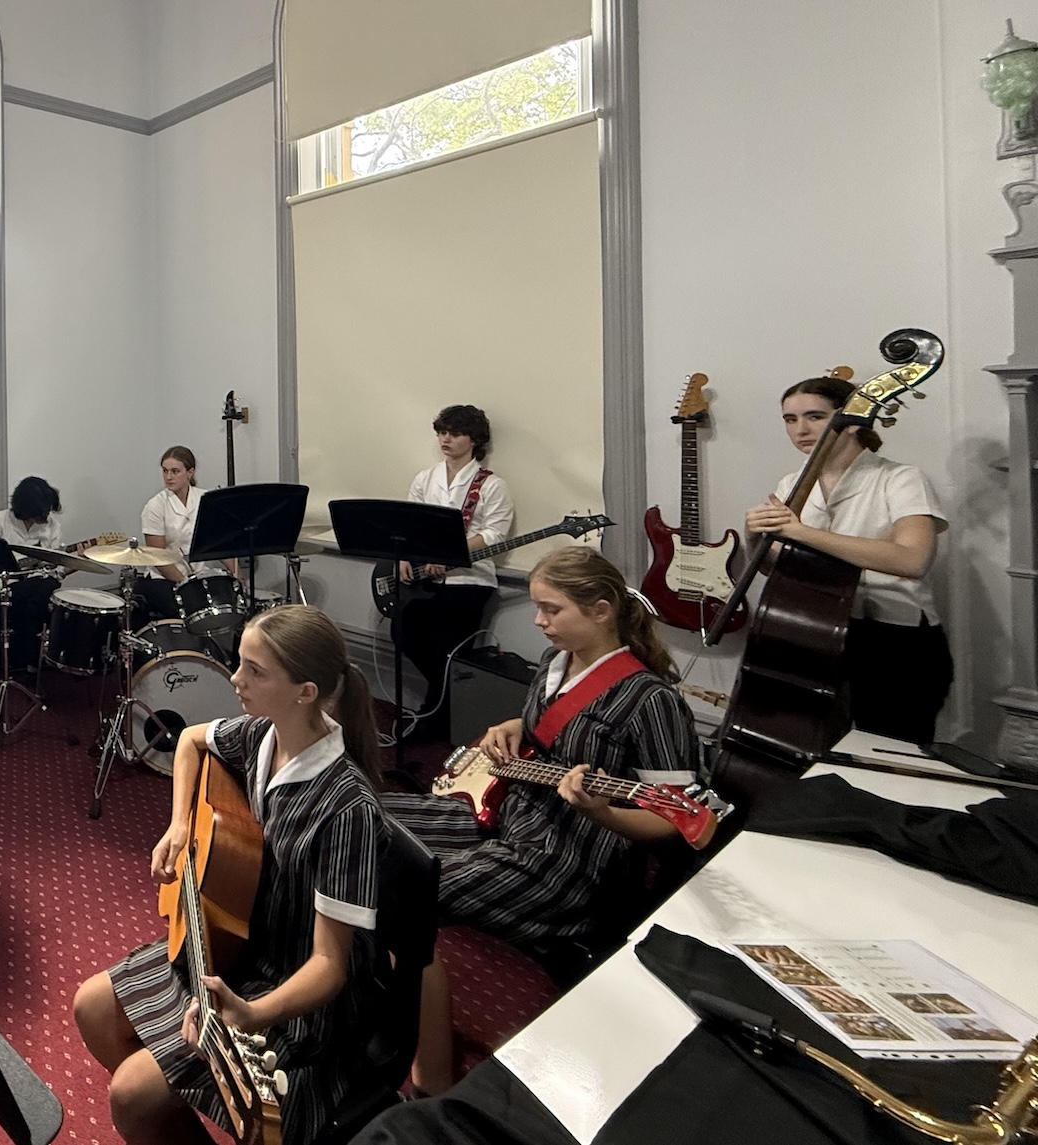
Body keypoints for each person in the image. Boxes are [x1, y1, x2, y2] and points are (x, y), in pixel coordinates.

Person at [378, 546, 700, 1093]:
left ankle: (430, 1073)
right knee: (365, 821)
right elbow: (550, 729)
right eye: (537, 607)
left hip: (565, 863)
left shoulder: (651, 701)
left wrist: (604, 812)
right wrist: (513, 726)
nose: (538, 620)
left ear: (601, 611)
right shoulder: (556, 663)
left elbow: (672, 821)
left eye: (551, 609)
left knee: (401, 890)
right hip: (509, 814)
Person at [72, 605, 392, 1144]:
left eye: (254, 671)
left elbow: (329, 966)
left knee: (131, 1093)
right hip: (242, 940)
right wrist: (179, 825)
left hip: (293, 987)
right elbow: (191, 741)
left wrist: (251, 1013)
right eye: (239, 662)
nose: (236, 679)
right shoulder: (263, 734)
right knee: (92, 1007)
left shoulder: (347, 809)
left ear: (305, 692)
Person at [743, 375, 950, 744]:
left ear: (852, 421)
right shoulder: (791, 484)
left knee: (887, 751)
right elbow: (775, 568)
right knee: (811, 745)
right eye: (790, 419)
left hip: (894, 641)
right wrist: (754, 536)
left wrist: (802, 532)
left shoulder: (900, 478)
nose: (800, 430)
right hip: (816, 632)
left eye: (815, 416)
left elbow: (913, 560)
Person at [396, 405, 514, 744]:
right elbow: (411, 523)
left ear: (474, 439)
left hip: (469, 581)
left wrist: (448, 553)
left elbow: (494, 534)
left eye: (455, 433)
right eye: (442, 432)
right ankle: (447, 708)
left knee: (449, 650)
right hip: (424, 578)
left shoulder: (491, 485)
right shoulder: (425, 478)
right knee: (403, 633)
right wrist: (405, 556)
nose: (446, 439)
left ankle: (431, 720)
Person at [136, 446, 237, 623]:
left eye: (175, 471)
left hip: (200, 574)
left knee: (230, 603)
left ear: (190, 472)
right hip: (165, 579)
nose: (169, 477)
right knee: (191, 607)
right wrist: (187, 585)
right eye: (165, 471)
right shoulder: (155, 506)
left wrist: (237, 575)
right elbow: (159, 557)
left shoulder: (206, 499)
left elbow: (220, 544)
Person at [0, 476, 69, 674]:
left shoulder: (52, 526)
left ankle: (28, 658)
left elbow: (57, 569)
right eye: (42, 512)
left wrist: (70, 564)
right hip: (5, 585)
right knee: (41, 592)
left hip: (40, 582)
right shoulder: (0, 521)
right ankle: (32, 661)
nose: (46, 516)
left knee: (44, 589)